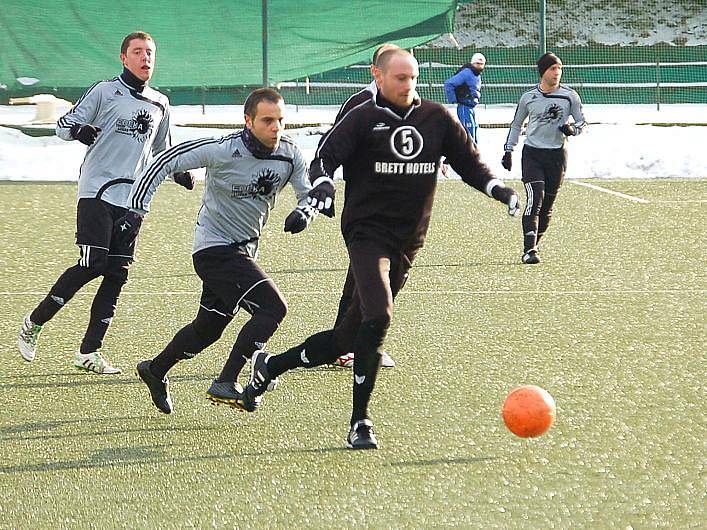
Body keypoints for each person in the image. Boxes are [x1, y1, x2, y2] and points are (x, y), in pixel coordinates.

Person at [238, 49, 520, 449]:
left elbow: (470, 164)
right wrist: (322, 186)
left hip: (408, 241)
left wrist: (498, 189)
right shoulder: (362, 116)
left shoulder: (437, 119)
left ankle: (271, 366)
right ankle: (360, 422)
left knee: (347, 338)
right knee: (380, 314)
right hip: (366, 235)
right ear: (378, 76)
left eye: (412, 78)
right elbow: (324, 158)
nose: (407, 86)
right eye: (399, 78)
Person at [122, 88, 316, 414]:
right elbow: (165, 160)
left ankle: (155, 370)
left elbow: (307, 191)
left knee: (206, 330)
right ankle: (226, 381)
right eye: (267, 120)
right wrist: (136, 209)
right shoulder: (223, 148)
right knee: (272, 308)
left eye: (280, 120)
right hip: (213, 250)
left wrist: (304, 212)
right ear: (248, 121)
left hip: (244, 252)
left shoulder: (290, 154)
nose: (275, 128)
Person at [17, 31, 193, 374]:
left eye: (150, 53)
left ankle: (89, 352)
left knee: (117, 272)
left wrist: (178, 171)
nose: (146, 59)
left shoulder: (160, 103)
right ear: (124, 58)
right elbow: (63, 124)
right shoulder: (104, 91)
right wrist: (80, 131)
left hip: (133, 200)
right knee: (92, 263)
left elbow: (161, 151)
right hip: (97, 191)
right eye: (138, 52)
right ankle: (34, 322)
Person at [328, 42, 399, 369]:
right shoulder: (359, 104)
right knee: (364, 274)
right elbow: (331, 148)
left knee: (389, 273)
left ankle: (360, 343)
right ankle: (344, 345)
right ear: (377, 71)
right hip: (364, 204)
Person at [501, 51, 586, 264]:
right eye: (552, 69)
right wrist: (508, 150)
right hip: (533, 154)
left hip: (557, 156)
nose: (557, 73)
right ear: (543, 72)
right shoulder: (528, 97)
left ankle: (534, 244)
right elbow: (517, 124)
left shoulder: (570, 96)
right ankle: (529, 250)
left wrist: (572, 130)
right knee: (534, 199)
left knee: (547, 205)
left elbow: (582, 122)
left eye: (559, 69)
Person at [444, 53, 486, 144]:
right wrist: (453, 99)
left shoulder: (476, 74)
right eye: (477, 63)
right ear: (472, 63)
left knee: (473, 129)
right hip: (464, 106)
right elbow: (449, 84)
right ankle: (465, 155)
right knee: (467, 132)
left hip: (471, 106)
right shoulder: (466, 73)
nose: (479, 66)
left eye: (481, 64)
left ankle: (474, 153)